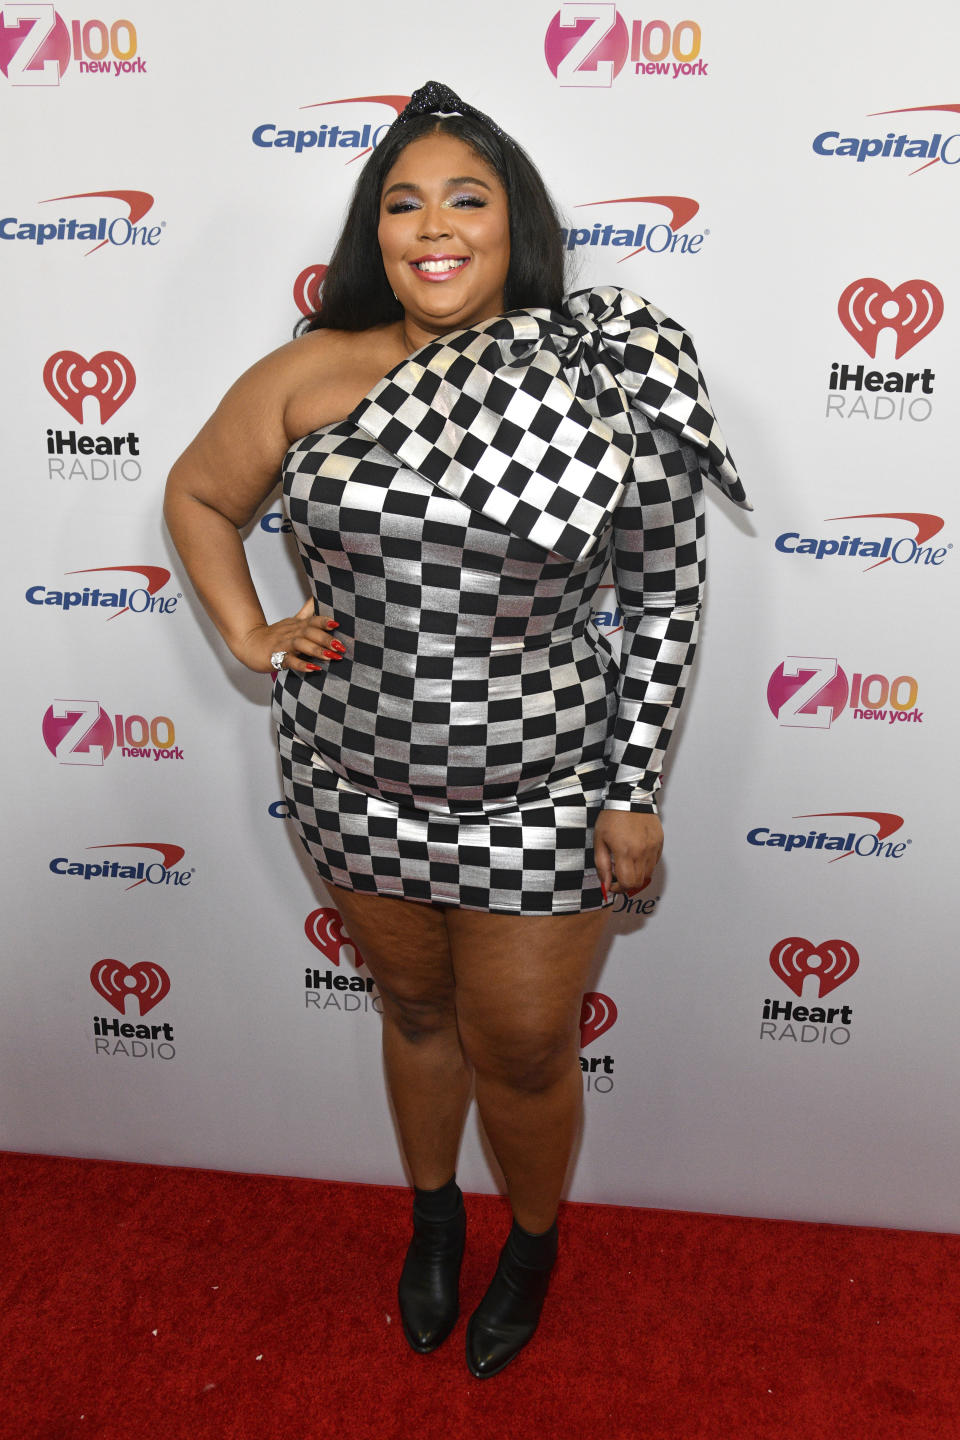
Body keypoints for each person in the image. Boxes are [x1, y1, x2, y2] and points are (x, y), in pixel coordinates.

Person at [164, 81, 748, 1379]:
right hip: (347, 782)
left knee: (529, 1048)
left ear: (514, 223)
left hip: (542, 793)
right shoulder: (312, 371)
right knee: (416, 1011)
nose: (433, 226)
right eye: (403, 201)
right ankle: (435, 1223)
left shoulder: (599, 374)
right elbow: (201, 496)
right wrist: (253, 635)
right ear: (376, 230)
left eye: (466, 198)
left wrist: (634, 789)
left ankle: (529, 1247)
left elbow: (662, 593)